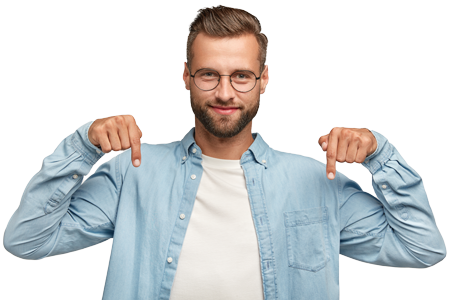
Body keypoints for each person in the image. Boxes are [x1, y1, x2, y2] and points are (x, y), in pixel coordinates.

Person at [3, 5, 446, 300]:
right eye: (208, 75)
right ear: (186, 76)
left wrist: (379, 156)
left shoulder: (315, 181)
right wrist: (82, 146)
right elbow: (27, 241)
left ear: (264, 79)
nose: (225, 93)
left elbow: (422, 249)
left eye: (241, 76)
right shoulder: (132, 173)